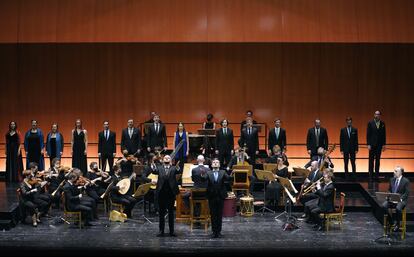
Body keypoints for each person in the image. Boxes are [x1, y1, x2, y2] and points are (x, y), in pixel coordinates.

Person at [149, 155, 182, 237]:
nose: (167, 159)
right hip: (161, 193)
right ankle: (161, 231)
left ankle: (171, 231)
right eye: (165, 158)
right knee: (161, 213)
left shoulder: (174, 168)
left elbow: (178, 171)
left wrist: (178, 167)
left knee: (171, 213)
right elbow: (154, 171)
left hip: (171, 193)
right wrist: (153, 165)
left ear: (171, 160)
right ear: (163, 160)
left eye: (168, 158)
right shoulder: (159, 168)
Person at [205, 158, 233, 238]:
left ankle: (219, 232)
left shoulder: (223, 172)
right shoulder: (208, 172)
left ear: (219, 164)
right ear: (211, 165)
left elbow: (228, 178)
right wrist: (201, 175)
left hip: (220, 196)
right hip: (211, 196)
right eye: (214, 162)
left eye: (217, 162)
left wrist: (232, 174)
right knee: (213, 215)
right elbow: (203, 179)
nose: (215, 163)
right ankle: (214, 232)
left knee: (219, 215)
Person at [382, 166, 409, 232]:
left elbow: (406, 193)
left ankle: (398, 224)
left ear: (400, 172)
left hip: (401, 200)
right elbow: (389, 190)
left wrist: (401, 199)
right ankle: (391, 222)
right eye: (394, 171)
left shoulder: (406, 181)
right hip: (392, 199)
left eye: (396, 171)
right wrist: (388, 196)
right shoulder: (392, 179)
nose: (394, 172)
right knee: (384, 206)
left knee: (398, 208)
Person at [367, 110, 386, 180]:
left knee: (378, 160)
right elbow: (368, 134)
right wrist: (368, 144)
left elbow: (384, 134)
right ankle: (370, 175)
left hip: (379, 145)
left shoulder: (382, 123)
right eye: (375, 114)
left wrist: (384, 144)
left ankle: (376, 175)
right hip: (372, 145)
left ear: (380, 115)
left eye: (378, 114)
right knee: (371, 160)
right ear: (374, 115)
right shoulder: (370, 123)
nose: (377, 115)